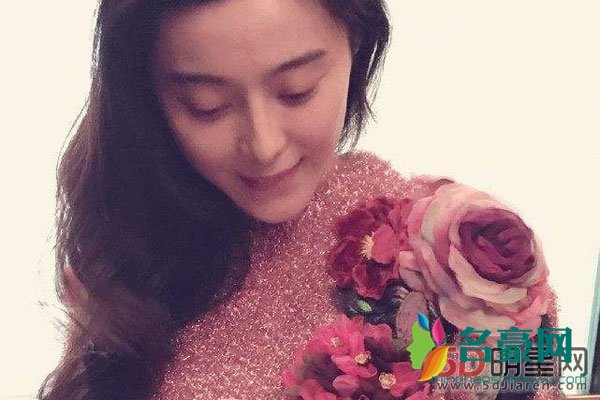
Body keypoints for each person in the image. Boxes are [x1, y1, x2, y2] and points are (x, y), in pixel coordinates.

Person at [39, 1, 565, 399]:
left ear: (355, 43)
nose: (264, 146)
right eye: (207, 106)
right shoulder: (129, 246)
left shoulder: (465, 252)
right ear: (149, 94)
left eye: (297, 90)